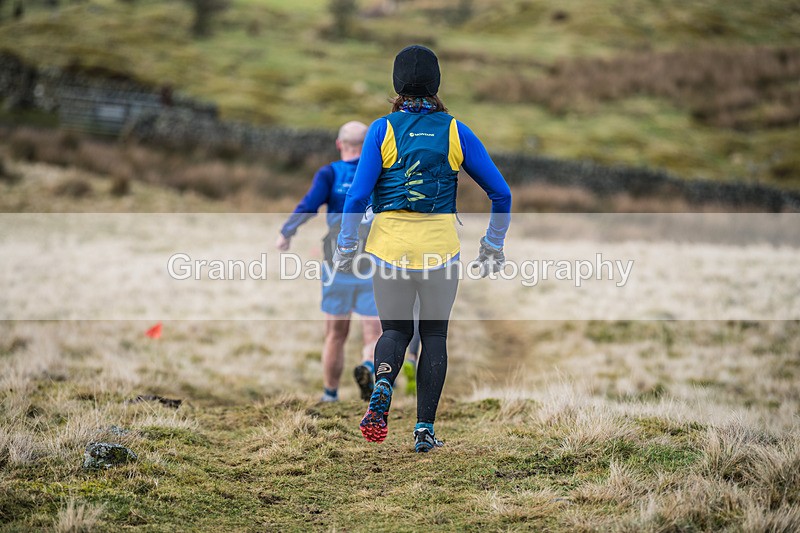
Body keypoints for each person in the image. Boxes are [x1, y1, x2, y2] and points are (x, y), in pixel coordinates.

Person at [334, 45, 512, 452]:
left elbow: (357, 196)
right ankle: (424, 431)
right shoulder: (455, 130)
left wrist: (346, 244)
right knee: (433, 336)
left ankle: (382, 381)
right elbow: (501, 194)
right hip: (440, 252)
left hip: (389, 247)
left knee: (395, 329)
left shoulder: (381, 129)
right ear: (436, 84)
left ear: (396, 84)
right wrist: (492, 245)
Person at [276, 121, 381, 403]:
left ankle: (330, 395)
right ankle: (369, 366)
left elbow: (308, 205)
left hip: (337, 263)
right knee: (375, 331)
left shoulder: (330, 174)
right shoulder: (378, 172)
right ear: (369, 145)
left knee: (335, 334)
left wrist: (287, 232)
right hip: (373, 262)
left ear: (339, 144)